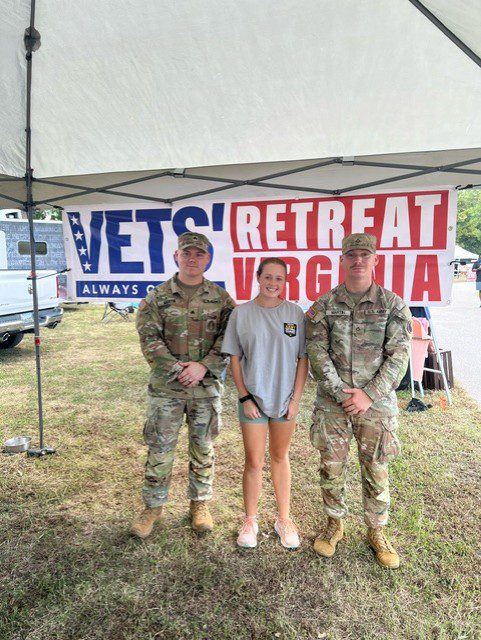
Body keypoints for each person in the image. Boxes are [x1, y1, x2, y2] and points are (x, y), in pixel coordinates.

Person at [306, 233, 412, 569]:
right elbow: (316, 352)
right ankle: (335, 524)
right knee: (331, 468)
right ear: (342, 260)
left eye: (364, 255)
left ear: (375, 260)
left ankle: (376, 531)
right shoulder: (324, 305)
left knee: (376, 469)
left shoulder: (393, 305)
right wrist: (341, 392)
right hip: (332, 403)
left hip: (376, 404)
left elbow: (399, 357)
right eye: (351, 255)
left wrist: (368, 395)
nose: (358, 261)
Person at [131, 232, 235, 539]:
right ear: (177, 256)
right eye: (186, 253)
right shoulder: (157, 297)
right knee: (160, 449)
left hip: (205, 389)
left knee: (203, 448)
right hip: (167, 388)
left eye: (199, 254)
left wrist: (203, 366)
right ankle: (152, 507)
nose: (192, 259)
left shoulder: (221, 298)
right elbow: (149, 339)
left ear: (207, 259)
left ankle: (199, 505)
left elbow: (230, 339)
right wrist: (178, 368)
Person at [222, 258, 309, 549]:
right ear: (257, 278)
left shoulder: (295, 314)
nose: (273, 283)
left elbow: (302, 359)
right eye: (268, 277)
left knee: (280, 457)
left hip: (285, 401)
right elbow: (234, 359)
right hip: (254, 401)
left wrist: (295, 400)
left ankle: (284, 519)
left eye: (280, 278)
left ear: (286, 282)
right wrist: (245, 397)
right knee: (254, 461)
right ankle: (250, 520)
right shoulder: (241, 314)